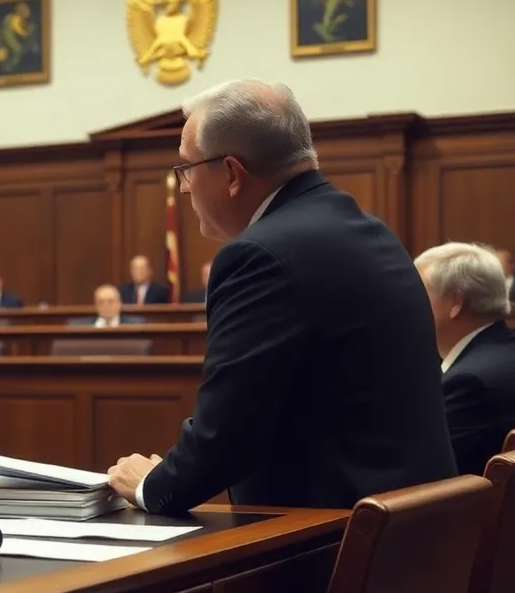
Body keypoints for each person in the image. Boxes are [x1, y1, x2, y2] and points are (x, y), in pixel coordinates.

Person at [108, 80, 456, 514]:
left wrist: (151, 486)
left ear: (232, 174)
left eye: (186, 168)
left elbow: (229, 435)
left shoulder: (260, 255)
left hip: (329, 543)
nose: (183, 187)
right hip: (412, 526)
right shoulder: (368, 230)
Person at [414, 242, 515, 476]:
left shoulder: (468, 382)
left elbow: (429, 475)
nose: (410, 303)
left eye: (417, 292)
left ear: (456, 303)